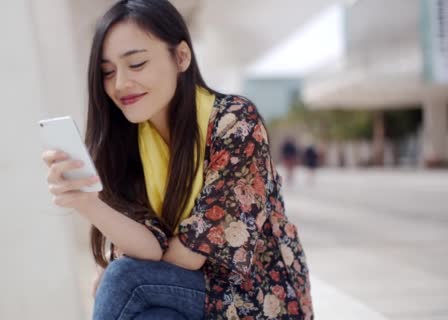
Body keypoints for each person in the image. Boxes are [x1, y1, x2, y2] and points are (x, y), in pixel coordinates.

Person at [41, 1, 313, 319]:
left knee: (121, 278)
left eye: (137, 64)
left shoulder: (235, 121)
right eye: (108, 72)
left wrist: (121, 274)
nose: (120, 84)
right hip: (190, 297)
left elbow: (189, 257)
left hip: (258, 300)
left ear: (181, 57)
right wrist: (87, 203)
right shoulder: (130, 142)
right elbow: (150, 248)